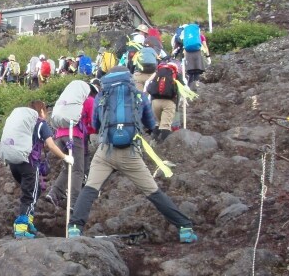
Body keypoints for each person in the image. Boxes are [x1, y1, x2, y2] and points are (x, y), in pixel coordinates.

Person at [66, 67, 198, 244]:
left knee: (90, 189)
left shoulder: (101, 96)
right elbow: (150, 123)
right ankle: (184, 227)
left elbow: (95, 124)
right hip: (130, 153)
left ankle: (75, 228)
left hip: (105, 150)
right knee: (152, 191)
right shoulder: (138, 96)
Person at [8, 101, 74, 239]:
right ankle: (21, 229)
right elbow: (51, 144)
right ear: (42, 111)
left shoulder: (22, 123)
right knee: (30, 196)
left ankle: (28, 221)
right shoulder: (40, 123)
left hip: (14, 163)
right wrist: (65, 157)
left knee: (34, 190)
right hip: (29, 164)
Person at [44, 80, 99, 211]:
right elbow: (92, 122)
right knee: (77, 170)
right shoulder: (89, 100)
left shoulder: (69, 101)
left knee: (67, 168)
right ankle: (75, 203)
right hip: (74, 137)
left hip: (59, 136)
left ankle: (54, 193)